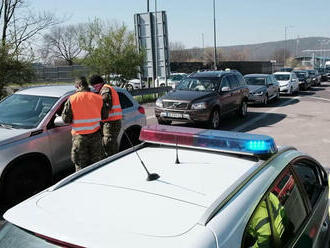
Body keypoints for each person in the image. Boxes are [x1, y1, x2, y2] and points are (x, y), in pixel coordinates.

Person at [62, 76, 108, 171]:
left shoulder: (72, 99)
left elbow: (66, 119)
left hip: (79, 138)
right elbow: (105, 116)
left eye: (76, 87)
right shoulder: (98, 98)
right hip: (95, 137)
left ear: (79, 85)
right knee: (97, 166)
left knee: (81, 168)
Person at [89, 74, 123, 157]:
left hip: (111, 121)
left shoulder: (105, 89)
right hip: (111, 121)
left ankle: (112, 163)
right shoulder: (106, 88)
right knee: (110, 144)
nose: (95, 88)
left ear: (99, 84)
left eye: (95, 86)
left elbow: (105, 105)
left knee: (108, 144)